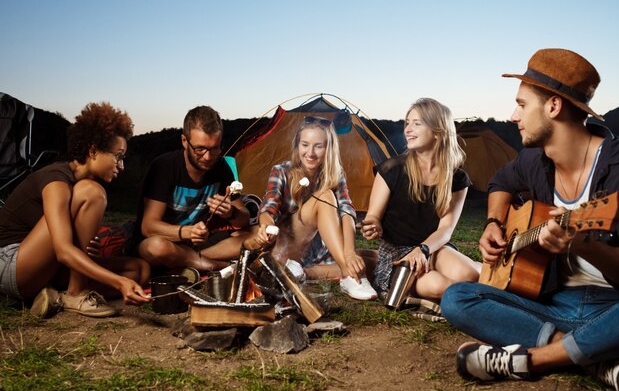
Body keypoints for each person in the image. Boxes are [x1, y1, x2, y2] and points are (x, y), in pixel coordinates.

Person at [441, 48, 619, 391]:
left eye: (522, 104)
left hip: (614, 308)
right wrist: (494, 222)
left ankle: (534, 360)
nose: (513, 115)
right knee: (456, 298)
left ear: (553, 106)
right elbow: (500, 182)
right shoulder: (534, 159)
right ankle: (593, 357)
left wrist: (584, 243)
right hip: (553, 304)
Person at [0, 102, 151, 318]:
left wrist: (85, 244)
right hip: (11, 265)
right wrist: (119, 282)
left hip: (43, 267)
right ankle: (77, 293)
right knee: (92, 192)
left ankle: (56, 296)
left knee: (139, 270)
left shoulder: (77, 186)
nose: (121, 166)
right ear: (93, 151)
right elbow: (62, 250)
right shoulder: (57, 180)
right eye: (118, 156)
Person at [360, 98, 480, 301]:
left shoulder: (457, 178)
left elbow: (445, 230)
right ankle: (481, 293)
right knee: (441, 286)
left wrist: (423, 250)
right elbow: (372, 216)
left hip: (433, 248)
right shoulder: (391, 169)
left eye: (417, 123)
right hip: (399, 256)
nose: (408, 129)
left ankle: (485, 274)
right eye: (407, 122)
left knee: (468, 275)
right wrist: (372, 226)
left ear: (437, 131)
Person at [253, 115, 378, 300]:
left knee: (375, 258)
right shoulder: (281, 171)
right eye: (305, 145)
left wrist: (351, 252)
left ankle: (302, 273)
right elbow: (268, 208)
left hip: (316, 248)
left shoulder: (335, 174)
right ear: (297, 145)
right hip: (287, 247)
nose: (310, 153)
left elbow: (347, 210)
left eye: (318, 146)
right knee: (324, 196)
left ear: (329, 149)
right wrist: (265, 226)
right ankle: (350, 275)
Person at [135, 105, 250, 272]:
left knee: (253, 236)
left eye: (214, 149)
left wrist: (231, 213)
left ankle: (187, 261)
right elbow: (148, 227)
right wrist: (188, 232)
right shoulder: (164, 167)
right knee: (156, 247)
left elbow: (244, 218)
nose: (208, 157)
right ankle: (210, 265)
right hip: (165, 241)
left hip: (198, 245)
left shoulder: (221, 167)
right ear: (184, 141)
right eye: (200, 149)